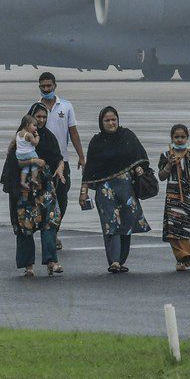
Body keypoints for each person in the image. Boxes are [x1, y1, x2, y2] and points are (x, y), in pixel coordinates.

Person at [80, 106, 151, 273]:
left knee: (127, 224)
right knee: (111, 224)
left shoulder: (128, 136)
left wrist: (139, 169)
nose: (111, 123)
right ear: (101, 122)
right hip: (105, 191)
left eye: (113, 120)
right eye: (107, 120)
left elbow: (140, 157)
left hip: (126, 189)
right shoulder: (96, 142)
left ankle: (121, 259)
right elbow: (90, 169)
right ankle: (114, 261)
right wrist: (83, 192)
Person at [0, 102, 64, 277]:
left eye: (44, 117)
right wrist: (33, 162)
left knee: (50, 222)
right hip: (24, 188)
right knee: (25, 225)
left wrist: (60, 168)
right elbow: (13, 162)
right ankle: (28, 265)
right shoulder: (21, 137)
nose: (41, 120)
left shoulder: (48, 137)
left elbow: (58, 157)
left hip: (45, 188)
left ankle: (52, 261)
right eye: (38, 117)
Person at [36, 72, 85, 249]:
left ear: (55, 86)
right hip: (41, 163)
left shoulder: (66, 106)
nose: (46, 89)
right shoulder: (35, 109)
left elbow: (73, 133)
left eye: (49, 86)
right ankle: (46, 231)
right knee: (43, 198)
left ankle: (54, 229)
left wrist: (81, 156)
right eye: (43, 86)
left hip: (61, 161)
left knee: (62, 198)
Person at [157, 124, 190, 271]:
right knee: (174, 228)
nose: (180, 140)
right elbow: (161, 176)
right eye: (176, 137)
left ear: (187, 137)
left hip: (189, 196)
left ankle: (185, 255)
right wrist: (169, 165)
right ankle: (182, 256)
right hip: (173, 197)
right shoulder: (166, 155)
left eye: (182, 137)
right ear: (171, 138)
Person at [15, 115, 41, 190]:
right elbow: (34, 143)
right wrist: (37, 137)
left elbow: (13, 142)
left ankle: (23, 182)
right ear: (27, 125)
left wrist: (8, 150)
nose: (36, 128)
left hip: (20, 155)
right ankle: (33, 178)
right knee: (35, 164)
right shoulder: (29, 135)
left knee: (25, 167)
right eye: (34, 125)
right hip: (29, 153)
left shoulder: (18, 133)